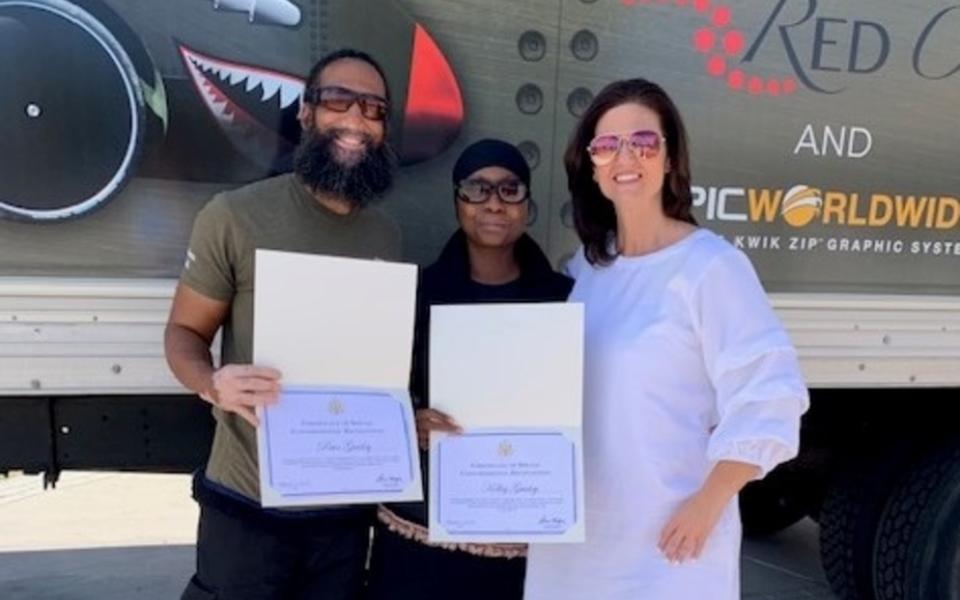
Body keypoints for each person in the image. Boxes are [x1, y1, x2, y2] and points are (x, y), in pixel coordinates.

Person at [522, 79, 809, 599]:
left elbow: (772, 398)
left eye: (643, 142)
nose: (624, 156)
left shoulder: (710, 267)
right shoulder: (587, 267)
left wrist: (708, 505)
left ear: (670, 157)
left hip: (670, 539)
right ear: (591, 165)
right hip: (576, 539)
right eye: (606, 145)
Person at [163, 48, 400, 600]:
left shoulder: (385, 236)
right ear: (306, 113)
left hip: (342, 511)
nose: (356, 119)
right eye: (338, 100)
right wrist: (211, 382)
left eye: (373, 109)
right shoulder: (235, 216)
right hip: (248, 506)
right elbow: (183, 335)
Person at [365, 139, 573, 600]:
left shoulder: (565, 300)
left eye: (509, 189)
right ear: (457, 200)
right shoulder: (416, 295)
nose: (494, 203)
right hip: (424, 532)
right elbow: (378, 398)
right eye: (477, 189)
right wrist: (408, 420)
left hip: (525, 530)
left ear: (528, 204)